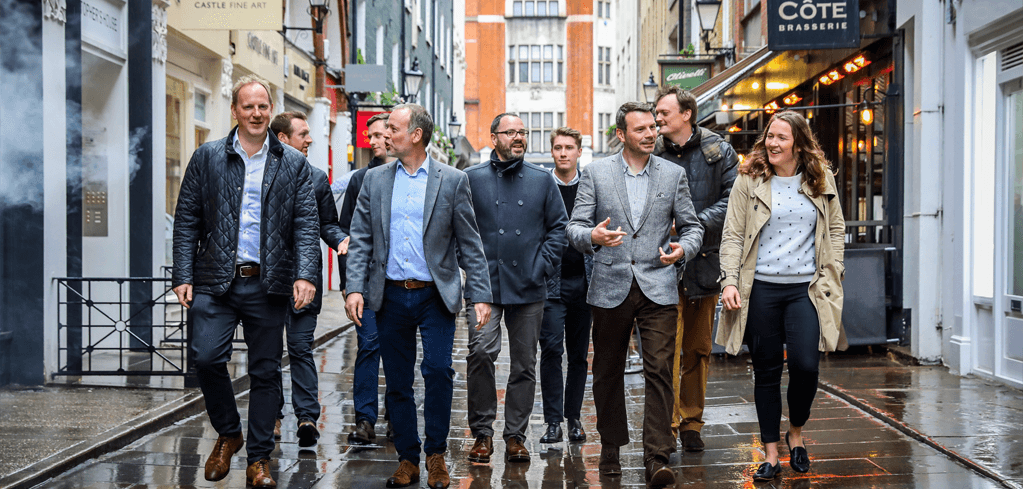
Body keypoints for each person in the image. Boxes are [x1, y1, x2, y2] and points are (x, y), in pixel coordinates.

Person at [172, 75, 320, 488]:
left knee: (266, 371)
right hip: (214, 279)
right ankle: (228, 432)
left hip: (268, 283)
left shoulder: (293, 163)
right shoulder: (207, 157)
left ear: (271, 110)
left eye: (263, 106)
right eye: (248, 106)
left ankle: (258, 460)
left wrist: (306, 274)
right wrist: (182, 274)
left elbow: (306, 225)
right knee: (205, 357)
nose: (256, 113)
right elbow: (186, 220)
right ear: (235, 110)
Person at [344, 104, 493, 489]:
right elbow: (360, 238)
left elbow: (470, 242)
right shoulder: (375, 179)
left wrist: (479, 294)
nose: (384, 135)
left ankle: (436, 455)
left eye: (393, 128)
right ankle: (408, 458)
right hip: (390, 295)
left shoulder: (452, 180)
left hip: (434, 296)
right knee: (397, 381)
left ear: (415, 135)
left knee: (439, 372)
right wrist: (354, 287)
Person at [566, 102, 703, 487]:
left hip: (658, 285)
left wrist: (683, 249)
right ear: (621, 134)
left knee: (660, 369)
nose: (650, 134)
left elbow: (692, 227)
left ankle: (656, 457)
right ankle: (610, 447)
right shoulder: (596, 173)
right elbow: (574, 228)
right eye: (640, 129)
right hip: (610, 286)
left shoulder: (673, 174)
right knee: (607, 371)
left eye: (652, 127)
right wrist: (593, 236)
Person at [717, 110, 847, 481]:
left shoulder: (820, 178)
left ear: (799, 144)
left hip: (806, 289)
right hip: (761, 288)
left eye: (781, 138)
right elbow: (733, 234)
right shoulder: (750, 179)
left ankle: (796, 432)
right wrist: (729, 281)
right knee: (767, 370)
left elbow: (835, 228)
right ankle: (772, 453)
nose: (772, 143)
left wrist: (834, 268)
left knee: (806, 366)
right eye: (770, 136)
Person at [464, 113, 568, 464]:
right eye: (511, 132)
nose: (519, 137)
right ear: (494, 137)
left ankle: (515, 437)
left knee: (524, 363)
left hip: (529, 286)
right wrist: (470, 271)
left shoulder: (542, 179)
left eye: (522, 131)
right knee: (480, 353)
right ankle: (482, 433)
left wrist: (541, 267)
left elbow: (559, 228)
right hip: (484, 287)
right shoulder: (471, 179)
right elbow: (459, 229)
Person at [652, 86, 739, 451]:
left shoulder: (719, 150)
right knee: (665, 350)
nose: (657, 118)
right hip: (661, 265)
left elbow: (734, 200)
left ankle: (691, 423)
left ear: (686, 114)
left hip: (704, 262)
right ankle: (668, 425)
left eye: (663, 112)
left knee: (698, 349)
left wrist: (692, 226)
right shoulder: (652, 151)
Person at [268, 110, 346, 448]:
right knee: (269, 351)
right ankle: (271, 416)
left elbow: (328, 223)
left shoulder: (316, 178)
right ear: (283, 138)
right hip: (267, 281)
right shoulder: (259, 174)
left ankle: (307, 417)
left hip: (306, 279)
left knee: (300, 347)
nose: (310, 140)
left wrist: (341, 240)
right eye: (303, 134)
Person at [338, 112, 391, 444]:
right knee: (369, 345)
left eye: (377, 135)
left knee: (399, 351)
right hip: (367, 281)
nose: (371, 141)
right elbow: (346, 234)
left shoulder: (413, 177)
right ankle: (365, 419)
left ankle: (397, 415)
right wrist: (348, 285)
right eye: (369, 136)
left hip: (400, 281)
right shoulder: (361, 179)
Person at [538, 127, 592, 444]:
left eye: (569, 147)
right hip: (551, 284)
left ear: (579, 152)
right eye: (558, 147)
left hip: (584, 282)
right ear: (552, 151)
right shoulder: (543, 186)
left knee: (579, 356)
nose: (563, 153)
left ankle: (574, 418)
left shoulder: (589, 187)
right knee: (550, 351)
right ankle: (552, 422)